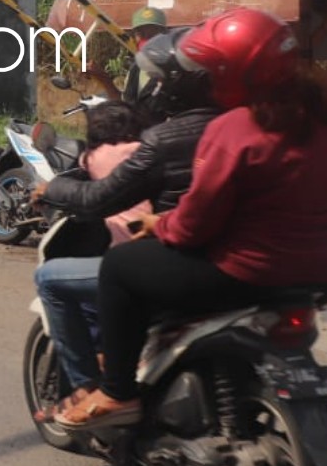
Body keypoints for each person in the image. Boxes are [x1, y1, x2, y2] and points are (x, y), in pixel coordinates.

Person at [61, 8, 327, 430]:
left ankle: (117, 392)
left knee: (119, 267)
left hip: (250, 272)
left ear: (230, 74)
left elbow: (194, 226)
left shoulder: (233, 128)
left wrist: (158, 224)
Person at [29, 30, 221, 424]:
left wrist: (53, 187)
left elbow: (100, 198)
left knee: (59, 277)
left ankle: (95, 388)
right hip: (271, 266)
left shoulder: (161, 141)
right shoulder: (255, 129)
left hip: (182, 261)